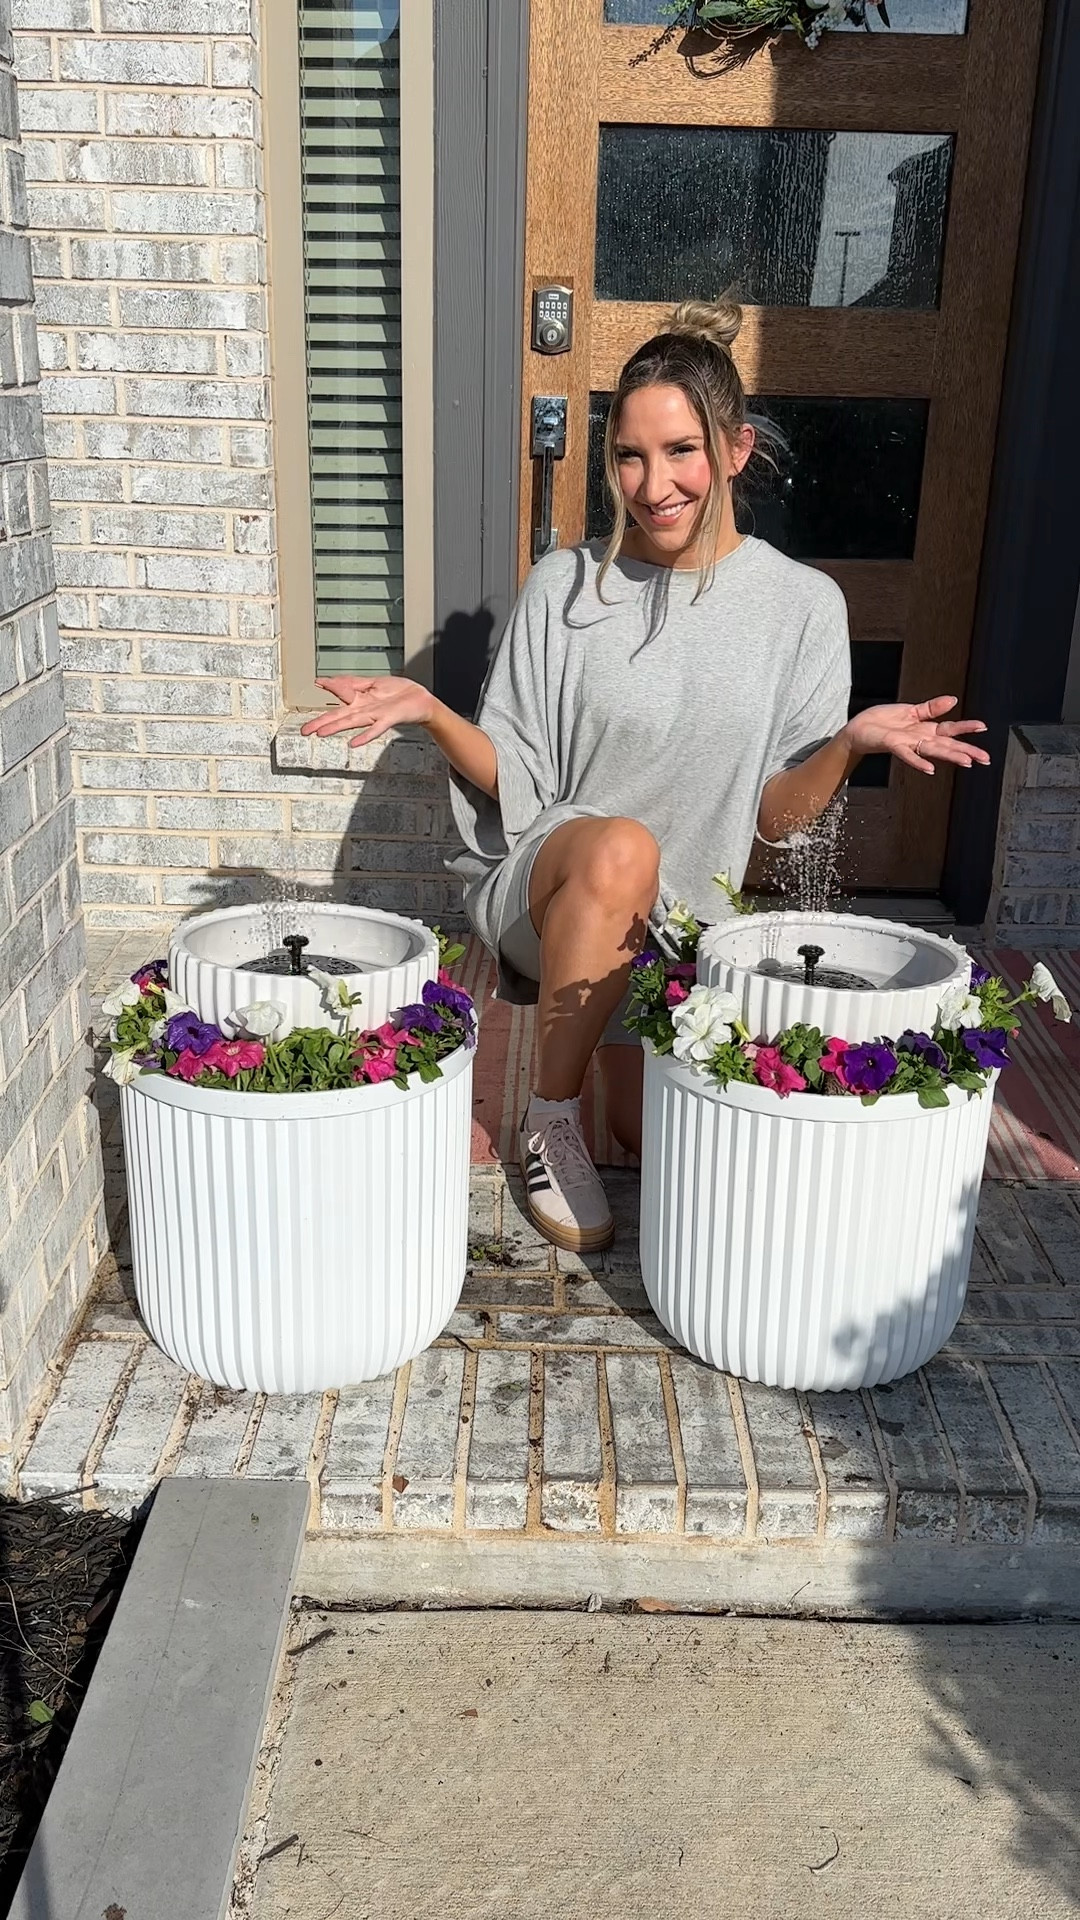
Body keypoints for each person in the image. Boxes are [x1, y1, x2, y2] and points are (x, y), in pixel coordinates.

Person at [302, 298, 989, 1255]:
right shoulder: (566, 586)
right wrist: (432, 712)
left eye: (680, 452)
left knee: (668, 1159)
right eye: (629, 455)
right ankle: (547, 1118)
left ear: (737, 449)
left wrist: (849, 745)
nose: (652, 483)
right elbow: (522, 779)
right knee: (620, 850)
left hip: (680, 926)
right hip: (548, 891)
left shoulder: (802, 607)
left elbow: (774, 825)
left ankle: (603, 1076)